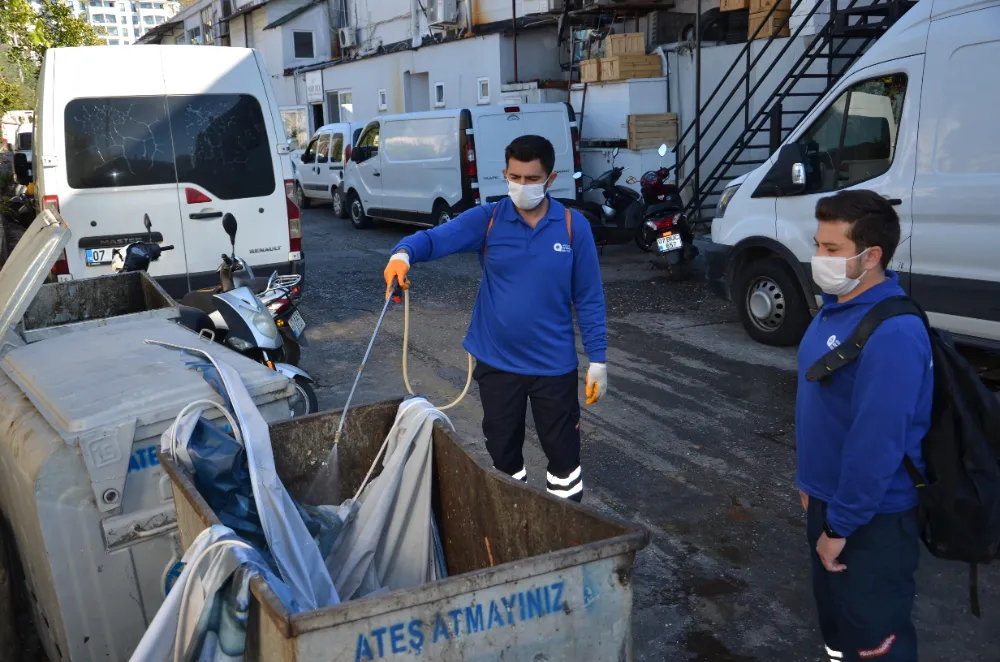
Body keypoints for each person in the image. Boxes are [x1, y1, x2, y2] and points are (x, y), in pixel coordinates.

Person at [382, 134, 607, 503]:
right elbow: (436, 239)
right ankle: (513, 512)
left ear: (551, 180)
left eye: (532, 179)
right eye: (515, 177)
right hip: (498, 364)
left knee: (564, 459)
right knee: (504, 454)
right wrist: (402, 255)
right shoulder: (487, 220)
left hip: (554, 367)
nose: (522, 186)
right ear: (505, 174)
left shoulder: (572, 226)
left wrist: (598, 359)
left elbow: (589, 297)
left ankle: (567, 524)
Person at [796, 189, 931, 662]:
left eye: (831, 250)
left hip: (869, 521)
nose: (819, 258)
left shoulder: (893, 331)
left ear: (870, 256)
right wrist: (809, 483)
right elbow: (823, 408)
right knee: (838, 632)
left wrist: (840, 525)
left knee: (875, 643)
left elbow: (877, 444)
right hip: (830, 503)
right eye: (818, 244)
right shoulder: (837, 307)